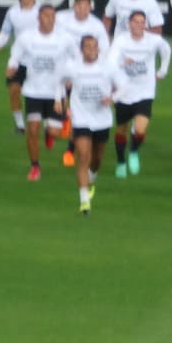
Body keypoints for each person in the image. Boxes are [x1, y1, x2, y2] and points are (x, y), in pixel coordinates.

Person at [6, 5, 74, 181]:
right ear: (38, 18)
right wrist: (12, 66)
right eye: (46, 16)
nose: (50, 19)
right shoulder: (27, 37)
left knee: (55, 132)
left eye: (52, 16)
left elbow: (75, 58)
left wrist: (70, 77)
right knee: (33, 130)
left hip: (55, 93)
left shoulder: (64, 39)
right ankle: (35, 166)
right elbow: (15, 55)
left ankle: (53, 130)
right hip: (33, 91)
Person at [59, 35, 124, 215]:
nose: (91, 49)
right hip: (81, 118)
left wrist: (112, 98)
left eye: (94, 46)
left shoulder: (108, 67)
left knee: (96, 160)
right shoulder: (72, 67)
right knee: (83, 156)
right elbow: (57, 81)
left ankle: (92, 178)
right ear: (81, 50)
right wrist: (60, 101)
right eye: (87, 46)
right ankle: (84, 200)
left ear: (98, 49)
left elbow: (124, 86)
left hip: (102, 119)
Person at [109, 11, 171, 178]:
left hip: (145, 91)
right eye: (135, 22)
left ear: (146, 25)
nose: (138, 25)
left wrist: (163, 70)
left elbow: (166, 50)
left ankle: (134, 150)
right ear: (129, 24)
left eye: (142, 22)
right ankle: (121, 161)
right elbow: (111, 61)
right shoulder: (121, 41)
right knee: (121, 129)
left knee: (140, 129)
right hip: (124, 91)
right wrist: (123, 63)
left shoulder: (153, 40)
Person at [55, 0, 111, 167]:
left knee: (80, 112)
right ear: (73, 6)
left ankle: (71, 148)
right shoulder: (61, 19)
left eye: (86, 6)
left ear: (90, 7)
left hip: (86, 73)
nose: (82, 9)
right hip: (65, 70)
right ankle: (65, 121)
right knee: (66, 109)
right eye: (79, 5)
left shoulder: (96, 26)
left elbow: (104, 51)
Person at [0, 0, 41, 134]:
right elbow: (6, 30)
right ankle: (20, 124)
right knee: (14, 90)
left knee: (40, 94)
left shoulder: (42, 11)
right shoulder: (12, 12)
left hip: (38, 60)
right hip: (18, 59)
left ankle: (48, 122)